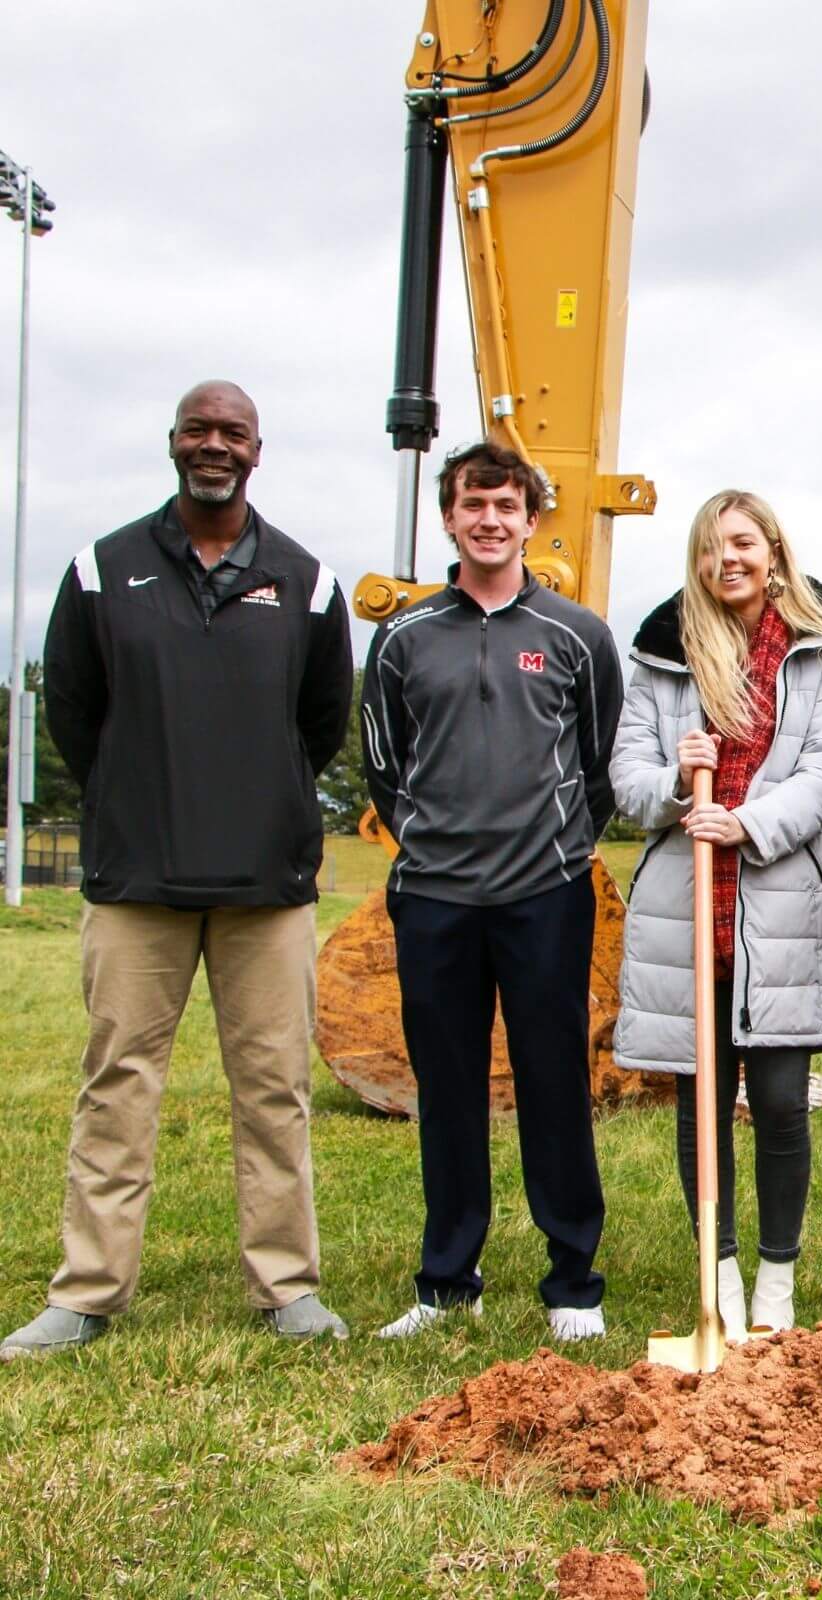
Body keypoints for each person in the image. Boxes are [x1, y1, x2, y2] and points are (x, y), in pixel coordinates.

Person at [3, 381, 353, 1362]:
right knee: (117, 1086)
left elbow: (319, 723)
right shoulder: (100, 569)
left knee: (275, 1088)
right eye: (199, 429)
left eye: (232, 432)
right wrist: (137, 790)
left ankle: (286, 1286)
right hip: (137, 882)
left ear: (256, 451)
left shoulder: (307, 582)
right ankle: (87, 1291)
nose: (214, 444)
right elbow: (76, 712)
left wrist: (259, 796)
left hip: (265, 889)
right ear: (173, 443)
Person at [361, 439, 622, 1343]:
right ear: (449, 517)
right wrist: (432, 843)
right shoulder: (402, 638)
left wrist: (555, 848)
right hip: (434, 898)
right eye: (473, 504)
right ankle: (446, 1281)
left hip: (545, 894)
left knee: (553, 1081)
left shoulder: (577, 635)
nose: (490, 520)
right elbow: (383, 765)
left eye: (507, 505)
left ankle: (572, 1282)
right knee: (448, 1087)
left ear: (531, 520)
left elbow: (598, 765)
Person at [610, 490, 822, 1335]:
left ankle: (776, 1283)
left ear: (774, 553)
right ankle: (717, 1275)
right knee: (703, 1104)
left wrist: (747, 823)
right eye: (712, 547)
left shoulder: (819, 652)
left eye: (745, 543)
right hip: (687, 905)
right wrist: (675, 782)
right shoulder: (663, 654)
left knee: (783, 1100)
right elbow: (628, 780)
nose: (729, 560)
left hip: (783, 903)